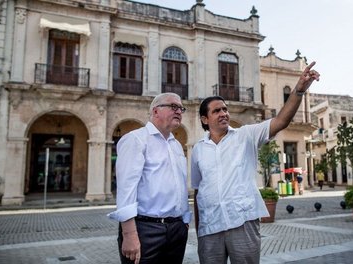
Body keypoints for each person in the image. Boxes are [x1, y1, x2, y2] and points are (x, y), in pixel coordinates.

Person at [191, 62, 320, 264]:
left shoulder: (246, 135)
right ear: (205, 119)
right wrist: (199, 230)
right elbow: (199, 190)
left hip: (242, 222)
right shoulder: (198, 149)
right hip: (210, 227)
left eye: (225, 109)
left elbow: (280, 122)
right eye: (217, 111)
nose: (224, 113)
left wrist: (299, 90)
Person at [108, 93, 191, 264]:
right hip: (145, 229)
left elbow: (179, 186)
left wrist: (185, 221)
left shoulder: (175, 145)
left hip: (176, 229)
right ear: (155, 111)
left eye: (181, 108)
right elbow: (126, 189)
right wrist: (129, 235)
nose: (179, 111)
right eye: (173, 106)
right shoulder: (136, 139)